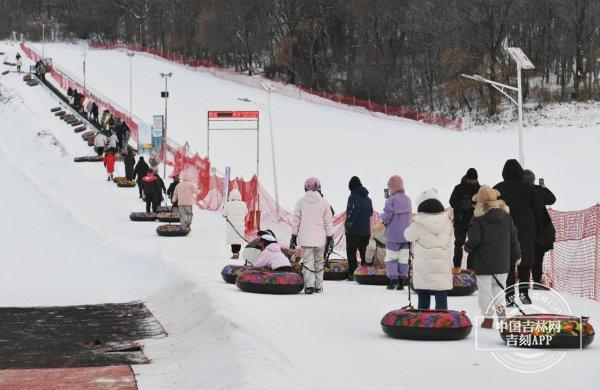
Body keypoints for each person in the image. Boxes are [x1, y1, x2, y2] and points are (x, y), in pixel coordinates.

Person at [465, 185, 521, 328]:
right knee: (499, 290)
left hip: (484, 263)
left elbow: (475, 240)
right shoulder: (506, 216)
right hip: (503, 261)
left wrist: (468, 246)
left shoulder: (478, 218)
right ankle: (501, 316)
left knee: (484, 292)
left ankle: (488, 319)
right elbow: (513, 237)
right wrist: (517, 254)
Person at [494, 159, 544, 305]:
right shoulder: (528, 188)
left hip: (504, 231)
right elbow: (539, 205)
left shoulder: (497, 188)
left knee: (508, 265)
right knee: (525, 263)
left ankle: (509, 297)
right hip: (526, 231)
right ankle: (524, 295)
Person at [404, 188, 453, 310]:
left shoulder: (418, 222)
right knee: (441, 293)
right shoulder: (447, 220)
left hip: (424, 266)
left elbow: (408, 236)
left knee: (423, 293)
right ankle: (442, 322)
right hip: (442, 266)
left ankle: (424, 322)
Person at [290, 177, 334, 295]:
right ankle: (318, 286)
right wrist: (330, 237)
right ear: (319, 188)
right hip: (320, 238)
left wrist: (293, 235)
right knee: (319, 261)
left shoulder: (300, 202)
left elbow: (296, 220)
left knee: (308, 261)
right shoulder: (325, 203)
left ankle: (309, 286)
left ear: (305, 188)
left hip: (305, 238)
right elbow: (328, 222)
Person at [523, 169, 556, 289]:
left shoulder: (519, 192)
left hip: (525, 231)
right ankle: (536, 282)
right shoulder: (537, 191)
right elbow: (552, 199)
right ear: (532, 180)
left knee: (524, 259)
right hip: (539, 232)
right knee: (537, 259)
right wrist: (543, 188)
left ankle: (524, 283)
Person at [379, 175, 412, 290]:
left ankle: (393, 281)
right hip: (406, 235)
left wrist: (380, 216)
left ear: (391, 187)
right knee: (403, 259)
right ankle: (403, 281)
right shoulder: (408, 199)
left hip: (393, 235)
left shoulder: (390, 200)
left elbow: (387, 216)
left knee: (391, 258)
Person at [449, 168, 480, 273]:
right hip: (460, 221)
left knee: (473, 244)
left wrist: (478, 206)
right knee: (459, 244)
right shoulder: (458, 188)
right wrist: (467, 204)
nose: (472, 182)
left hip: (475, 222)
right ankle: (456, 267)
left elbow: (484, 203)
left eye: (474, 180)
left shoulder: (480, 189)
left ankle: (470, 268)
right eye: (470, 180)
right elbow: (452, 202)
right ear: (466, 178)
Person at [345, 176, 374, 280]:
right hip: (365, 231)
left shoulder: (353, 197)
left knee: (351, 252)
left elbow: (354, 210)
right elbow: (370, 212)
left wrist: (349, 222)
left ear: (351, 187)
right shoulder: (368, 199)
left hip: (353, 231)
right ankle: (365, 273)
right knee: (364, 253)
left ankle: (353, 273)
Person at [222, 188, 249, 259]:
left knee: (233, 238)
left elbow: (224, 213)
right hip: (240, 224)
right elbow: (246, 212)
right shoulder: (243, 204)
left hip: (231, 225)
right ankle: (237, 252)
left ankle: (234, 253)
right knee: (238, 238)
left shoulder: (228, 204)